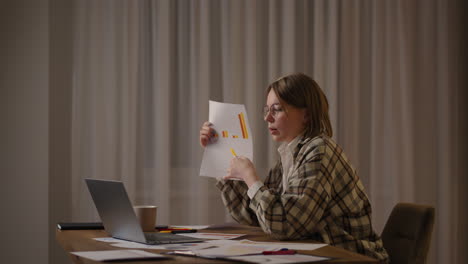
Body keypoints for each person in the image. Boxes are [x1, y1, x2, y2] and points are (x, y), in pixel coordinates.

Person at [199, 73, 389, 262]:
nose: (267, 118)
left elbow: (285, 225)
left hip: (353, 258)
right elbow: (257, 217)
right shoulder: (291, 156)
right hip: (320, 256)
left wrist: (250, 177)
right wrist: (220, 152)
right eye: (267, 110)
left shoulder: (319, 151)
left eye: (277, 109)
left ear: (306, 114)